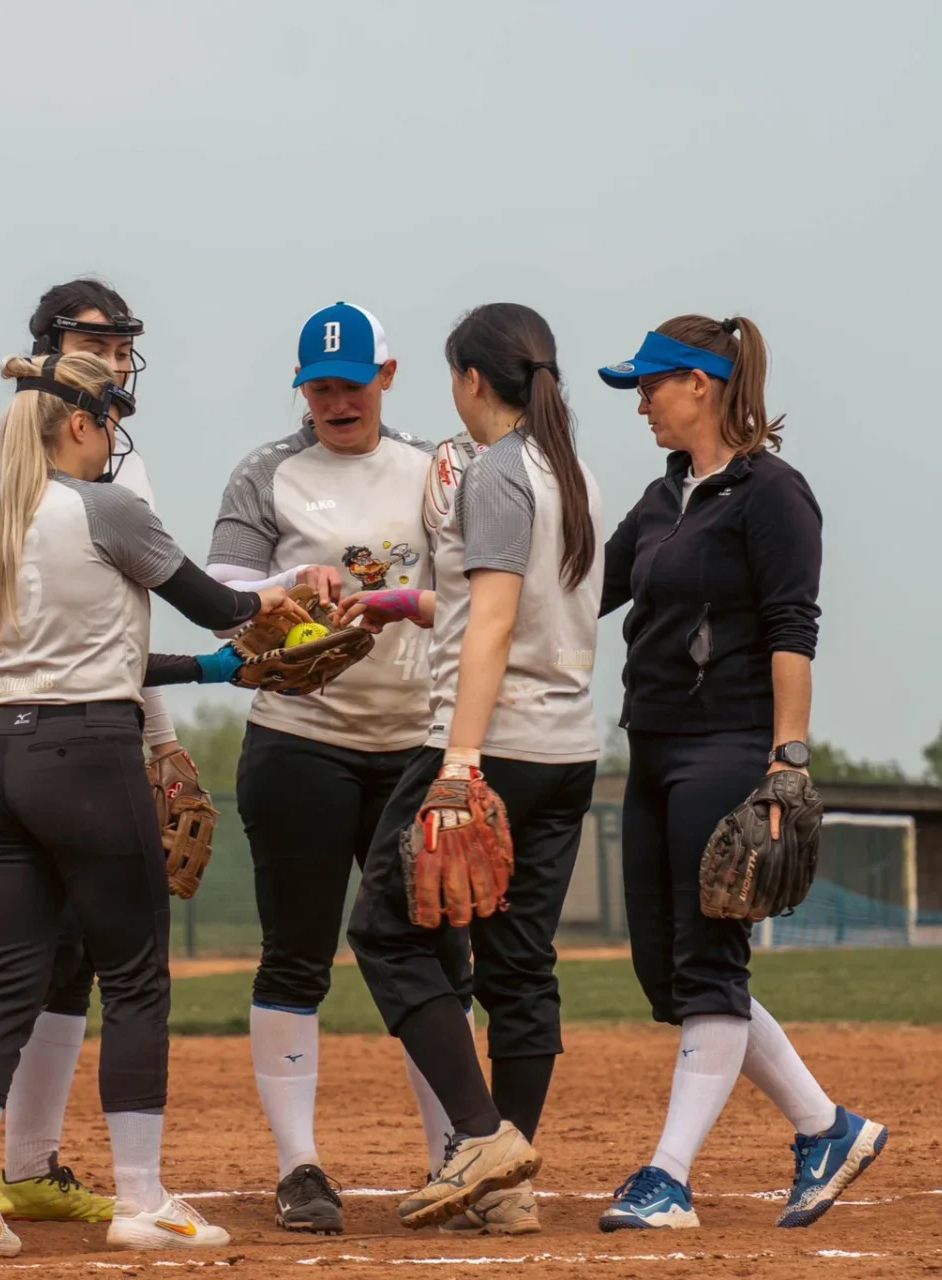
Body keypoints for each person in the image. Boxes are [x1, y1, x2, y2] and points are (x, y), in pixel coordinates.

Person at [0, 351, 300, 1260]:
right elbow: (222, 603)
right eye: (111, 422)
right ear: (81, 423)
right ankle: (142, 1199)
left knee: (10, 975)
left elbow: (99, 648)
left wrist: (212, 670)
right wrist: (309, 589)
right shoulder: (107, 507)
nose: (115, 441)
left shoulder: (1, 520)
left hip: (2, 753)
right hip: (89, 755)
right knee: (134, 976)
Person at [0, 279, 209, 1223]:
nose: (115, 357)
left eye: (123, 344)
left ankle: (27, 1165)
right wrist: (22, 652)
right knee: (42, 938)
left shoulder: (119, 461)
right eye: (95, 343)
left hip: (82, 705)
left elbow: (121, 620)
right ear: (48, 351)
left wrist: (159, 738)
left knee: (72, 940)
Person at [594, 315, 887, 1231]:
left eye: (650, 385)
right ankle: (826, 1128)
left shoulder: (772, 494)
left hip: (726, 746)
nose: (640, 403)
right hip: (651, 746)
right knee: (667, 975)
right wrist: (439, 599)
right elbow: (577, 594)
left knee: (709, 965)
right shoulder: (663, 496)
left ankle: (667, 1177)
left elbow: (793, 627)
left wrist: (786, 761)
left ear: (701, 383)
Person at [206, 302, 475, 1234]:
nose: (335, 401)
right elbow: (220, 591)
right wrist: (288, 584)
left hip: (414, 743)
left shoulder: (434, 471)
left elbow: (475, 591)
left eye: (351, 383)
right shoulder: (266, 471)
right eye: (318, 386)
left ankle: (457, 1159)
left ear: (386, 378)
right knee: (296, 954)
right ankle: (300, 1169)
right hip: (299, 741)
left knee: (437, 956)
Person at [344, 302, 603, 1233]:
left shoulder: (495, 471)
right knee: (519, 964)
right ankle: (507, 1187)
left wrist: (458, 763)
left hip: (486, 746)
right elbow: (508, 604)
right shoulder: (569, 470)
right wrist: (401, 602)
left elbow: (492, 622)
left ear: (471, 380)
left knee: (384, 931)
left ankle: (481, 1135)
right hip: (566, 747)